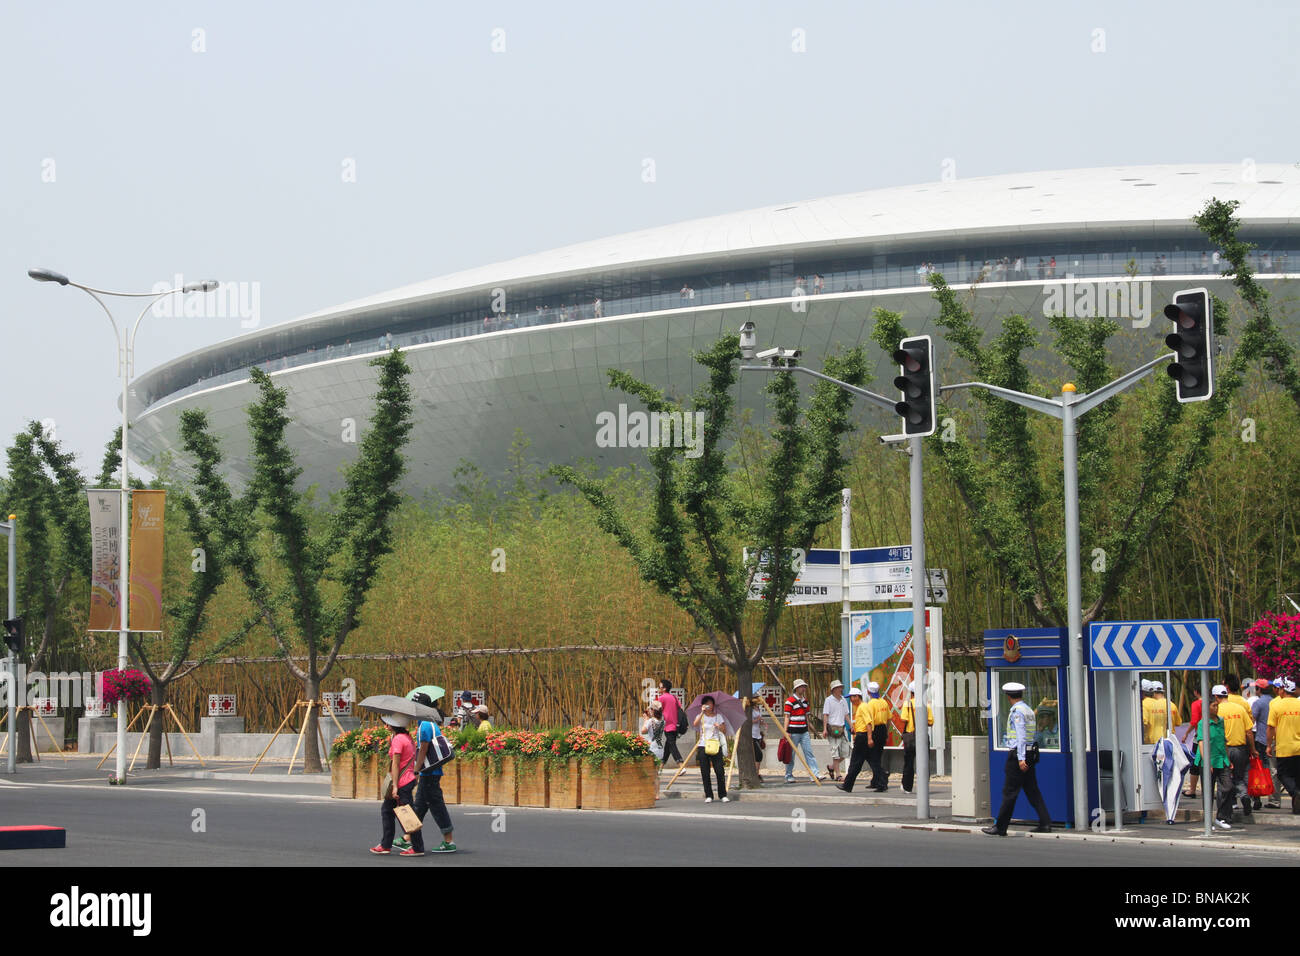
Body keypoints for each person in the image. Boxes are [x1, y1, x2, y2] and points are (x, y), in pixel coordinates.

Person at [983, 682, 1052, 836]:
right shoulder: (1028, 710)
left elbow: (1020, 737)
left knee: (1009, 792)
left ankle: (1000, 827)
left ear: (1008, 696)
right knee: (1032, 790)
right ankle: (1045, 822)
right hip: (1029, 753)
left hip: (1018, 756)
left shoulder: (1017, 711)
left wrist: (1021, 759)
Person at [397, 694, 457, 854]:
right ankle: (407, 838)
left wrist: (416, 770)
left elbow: (423, 749)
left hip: (429, 773)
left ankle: (449, 841)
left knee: (437, 807)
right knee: (420, 806)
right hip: (430, 773)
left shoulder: (425, 725)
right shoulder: (427, 723)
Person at [371, 714, 420, 854]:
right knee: (387, 811)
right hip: (408, 779)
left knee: (408, 816)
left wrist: (395, 787)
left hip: (402, 782)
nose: (386, 725)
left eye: (388, 723)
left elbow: (396, 764)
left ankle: (417, 847)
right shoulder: (407, 738)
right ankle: (385, 844)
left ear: (393, 725)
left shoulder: (398, 739)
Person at [1193, 688, 1236, 830]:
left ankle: (1221, 817)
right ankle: (1208, 820)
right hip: (1208, 760)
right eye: (1213, 706)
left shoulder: (1221, 721)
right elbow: (1201, 742)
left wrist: (1228, 759)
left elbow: (1223, 741)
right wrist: (1207, 762)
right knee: (1208, 791)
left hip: (1221, 759)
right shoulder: (1202, 723)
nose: (1216, 708)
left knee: (1228, 787)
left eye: (1217, 705)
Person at [1217, 679, 1256, 818]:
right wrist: (1252, 749)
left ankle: (1226, 811)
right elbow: (1249, 732)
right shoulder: (1240, 708)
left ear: (1216, 697)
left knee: (1224, 780)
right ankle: (1244, 795)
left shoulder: (1216, 711)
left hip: (1224, 750)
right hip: (1240, 748)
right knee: (1239, 777)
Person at [1267, 677, 1300, 814]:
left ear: (1283, 690)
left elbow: (1270, 728)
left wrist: (1269, 745)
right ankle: (1297, 807)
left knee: (1282, 774)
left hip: (1284, 748)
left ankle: (1295, 793)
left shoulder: (1276, 706)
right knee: (1298, 776)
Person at [782, 679, 826, 782]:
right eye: (802, 686)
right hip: (793, 731)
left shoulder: (805, 702)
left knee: (809, 753)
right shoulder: (789, 701)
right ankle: (788, 775)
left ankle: (814, 774)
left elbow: (806, 717)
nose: (804, 688)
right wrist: (785, 731)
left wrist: (810, 729)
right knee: (791, 754)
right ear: (796, 688)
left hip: (804, 731)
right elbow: (787, 717)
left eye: (804, 686)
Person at [693, 696, 730, 803]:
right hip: (703, 745)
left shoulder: (718, 716)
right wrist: (701, 712)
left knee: (719, 770)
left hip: (715, 745)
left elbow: (724, 730)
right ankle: (708, 795)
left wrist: (719, 726)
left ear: (714, 705)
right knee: (705, 771)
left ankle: (722, 794)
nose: (709, 706)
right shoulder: (701, 716)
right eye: (707, 704)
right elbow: (695, 724)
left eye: (711, 704)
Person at [836, 687, 873, 793]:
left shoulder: (862, 707)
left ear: (857, 697)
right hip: (861, 735)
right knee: (871, 760)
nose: (851, 700)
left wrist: (869, 738)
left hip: (863, 737)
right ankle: (882, 778)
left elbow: (868, 723)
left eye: (852, 697)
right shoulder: (861, 707)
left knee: (855, 762)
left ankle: (847, 785)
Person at [1251, 680, 1280, 809]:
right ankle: (1274, 798)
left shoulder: (1259, 703)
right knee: (1275, 769)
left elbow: (1251, 721)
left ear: (1259, 689)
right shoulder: (1276, 701)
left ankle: (1260, 794)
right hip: (1278, 739)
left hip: (1262, 739)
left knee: (1261, 769)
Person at [900, 681, 933, 794]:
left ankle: (907, 787)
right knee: (924, 762)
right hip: (923, 737)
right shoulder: (926, 704)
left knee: (909, 762)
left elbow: (904, 719)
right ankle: (924, 787)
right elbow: (930, 722)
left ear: (911, 692)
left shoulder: (907, 704)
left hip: (911, 737)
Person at [822, 680, 851, 781]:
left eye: (841, 687)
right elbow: (826, 714)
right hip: (832, 729)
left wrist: (851, 725)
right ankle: (838, 774)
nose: (841, 689)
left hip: (842, 728)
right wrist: (825, 729)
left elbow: (846, 714)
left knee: (846, 752)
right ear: (834, 689)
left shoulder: (843, 700)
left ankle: (831, 767)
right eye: (839, 687)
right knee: (835, 753)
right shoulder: (828, 700)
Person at [865, 681, 891, 791]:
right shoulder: (883, 702)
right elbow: (889, 718)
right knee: (878, 756)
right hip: (883, 729)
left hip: (875, 730)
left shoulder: (870, 704)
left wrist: (869, 737)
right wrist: (886, 732)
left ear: (868, 692)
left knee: (872, 757)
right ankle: (875, 781)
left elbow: (869, 722)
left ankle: (881, 780)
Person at [658, 679, 685, 766]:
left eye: (660, 687)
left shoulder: (661, 698)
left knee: (672, 745)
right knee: (668, 746)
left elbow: (655, 709)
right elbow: (681, 709)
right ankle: (661, 766)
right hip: (676, 725)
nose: (659, 689)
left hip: (668, 725)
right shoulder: (674, 697)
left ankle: (680, 764)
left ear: (664, 688)